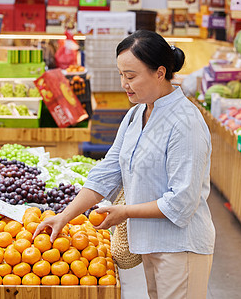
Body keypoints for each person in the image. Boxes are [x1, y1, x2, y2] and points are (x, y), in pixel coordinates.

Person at [34, 30, 215, 299]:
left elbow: (182, 202)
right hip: (151, 242)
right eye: (121, 75)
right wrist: (64, 216)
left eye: (131, 76)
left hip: (181, 246)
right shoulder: (136, 114)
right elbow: (108, 172)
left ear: (159, 73)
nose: (124, 84)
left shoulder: (185, 122)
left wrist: (126, 212)